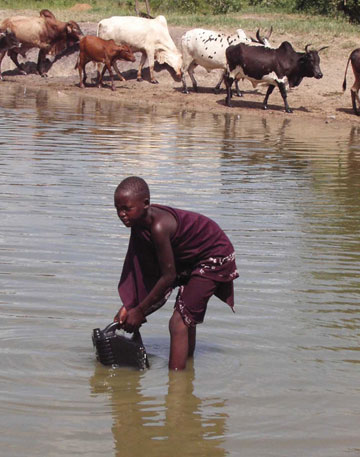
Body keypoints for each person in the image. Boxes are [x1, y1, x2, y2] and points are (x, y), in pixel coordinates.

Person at [113, 176, 239, 370]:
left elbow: (168, 277)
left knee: (179, 321)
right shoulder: (138, 224)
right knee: (185, 314)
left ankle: (177, 384)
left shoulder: (159, 227)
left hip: (213, 255)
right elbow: (144, 268)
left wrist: (139, 311)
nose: (121, 214)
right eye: (117, 209)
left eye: (126, 208)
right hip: (189, 258)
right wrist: (129, 306)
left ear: (145, 204)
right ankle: (186, 370)